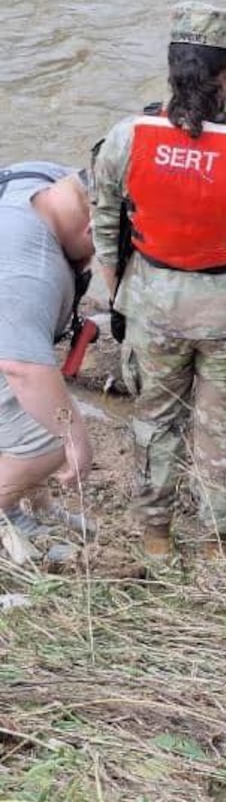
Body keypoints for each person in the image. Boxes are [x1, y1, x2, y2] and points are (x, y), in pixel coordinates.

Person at [91, 1, 226, 559]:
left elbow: (107, 229)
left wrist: (116, 298)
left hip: (152, 306)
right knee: (222, 431)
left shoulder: (124, 139)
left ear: (171, 69)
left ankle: (156, 538)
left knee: (155, 423)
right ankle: (216, 546)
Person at [0, 163, 95, 561]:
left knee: (44, 399)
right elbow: (22, 369)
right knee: (52, 433)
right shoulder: (33, 271)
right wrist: (75, 438)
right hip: (10, 350)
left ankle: (33, 509)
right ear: (95, 231)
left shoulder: (44, 179)